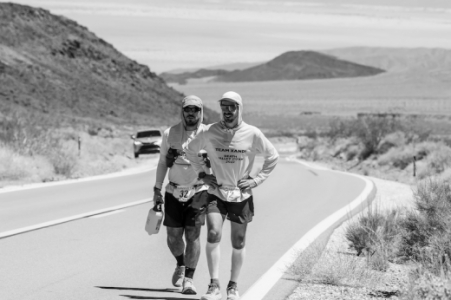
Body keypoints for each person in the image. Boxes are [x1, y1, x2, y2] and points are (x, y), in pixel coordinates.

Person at [185, 91, 279, 300]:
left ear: (239, 108)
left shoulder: (252, 133)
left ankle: (233, 286)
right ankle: (213, 285)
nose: (228, 111)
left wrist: (256, 180)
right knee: (213, 234)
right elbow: (190, 150)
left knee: (238, 241)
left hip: (240, 194)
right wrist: (202, 174)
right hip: (216, 192)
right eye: (224, 107)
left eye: (232, 106)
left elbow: (273, 156)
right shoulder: (209, 131)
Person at [153, 95, 210, 295]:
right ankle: (181, 263)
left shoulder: (208, 133)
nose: (191, 113)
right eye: (188, 109)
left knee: (193, 235)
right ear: (182, 111)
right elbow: (162, 163)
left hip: (198, 191)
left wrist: (209, 164)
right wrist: (157, 189)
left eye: (195, 109)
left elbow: (220, 162)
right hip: (173, 191)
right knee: (173, 237)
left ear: (201, 111)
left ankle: (189, 280)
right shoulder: (171, 133)